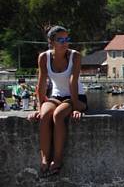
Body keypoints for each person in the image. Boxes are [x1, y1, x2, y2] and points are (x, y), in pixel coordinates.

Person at [28, 26, 87, 178]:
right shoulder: (44, 57)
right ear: (51, 41)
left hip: (75, 96)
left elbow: (73, 82)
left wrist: (76, 106)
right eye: (60, 40)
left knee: (59, 115)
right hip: (56, 95)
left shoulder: (75, 56)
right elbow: (41, 84)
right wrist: (40, 108)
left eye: (67, 39)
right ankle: (45, 158)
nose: (65, 43)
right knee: (46, 114)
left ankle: (58, 158)